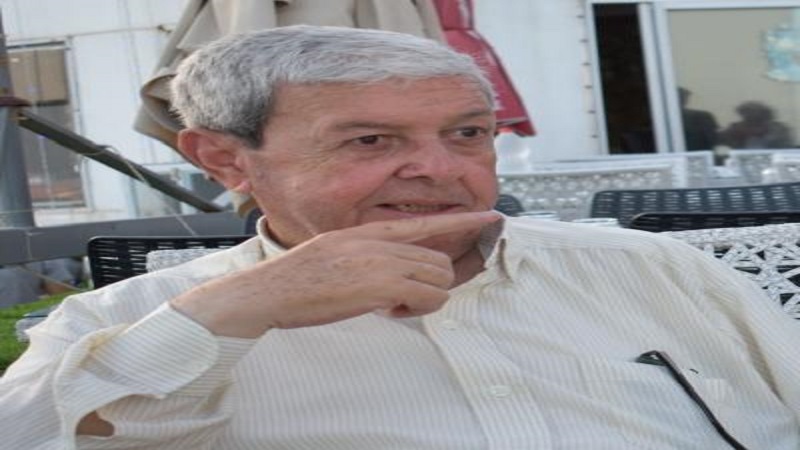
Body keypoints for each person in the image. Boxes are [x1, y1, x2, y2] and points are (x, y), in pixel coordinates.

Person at [1, 25, 798, 449]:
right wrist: (228, 314)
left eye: (466, 133)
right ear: (223, 158)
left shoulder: (653, 269)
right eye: (370, 141)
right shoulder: (122, 322)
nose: (439, 170)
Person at [0, 259, 76, 308]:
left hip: (26, 318)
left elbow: (63, 296)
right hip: (27, 318)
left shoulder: (40, 254)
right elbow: (63, 297)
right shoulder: (37, 251)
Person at [719, 100, 794, 149]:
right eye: (747, 113)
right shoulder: (735, 129)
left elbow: (785, 149)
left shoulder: (780, 130)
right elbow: (720, 141)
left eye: (754, 112)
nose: (751, 115)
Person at [678, 87, 719, 151]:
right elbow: (713, 140)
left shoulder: (702, 116)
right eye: (684, 97)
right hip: (700, 154)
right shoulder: (703, 116)